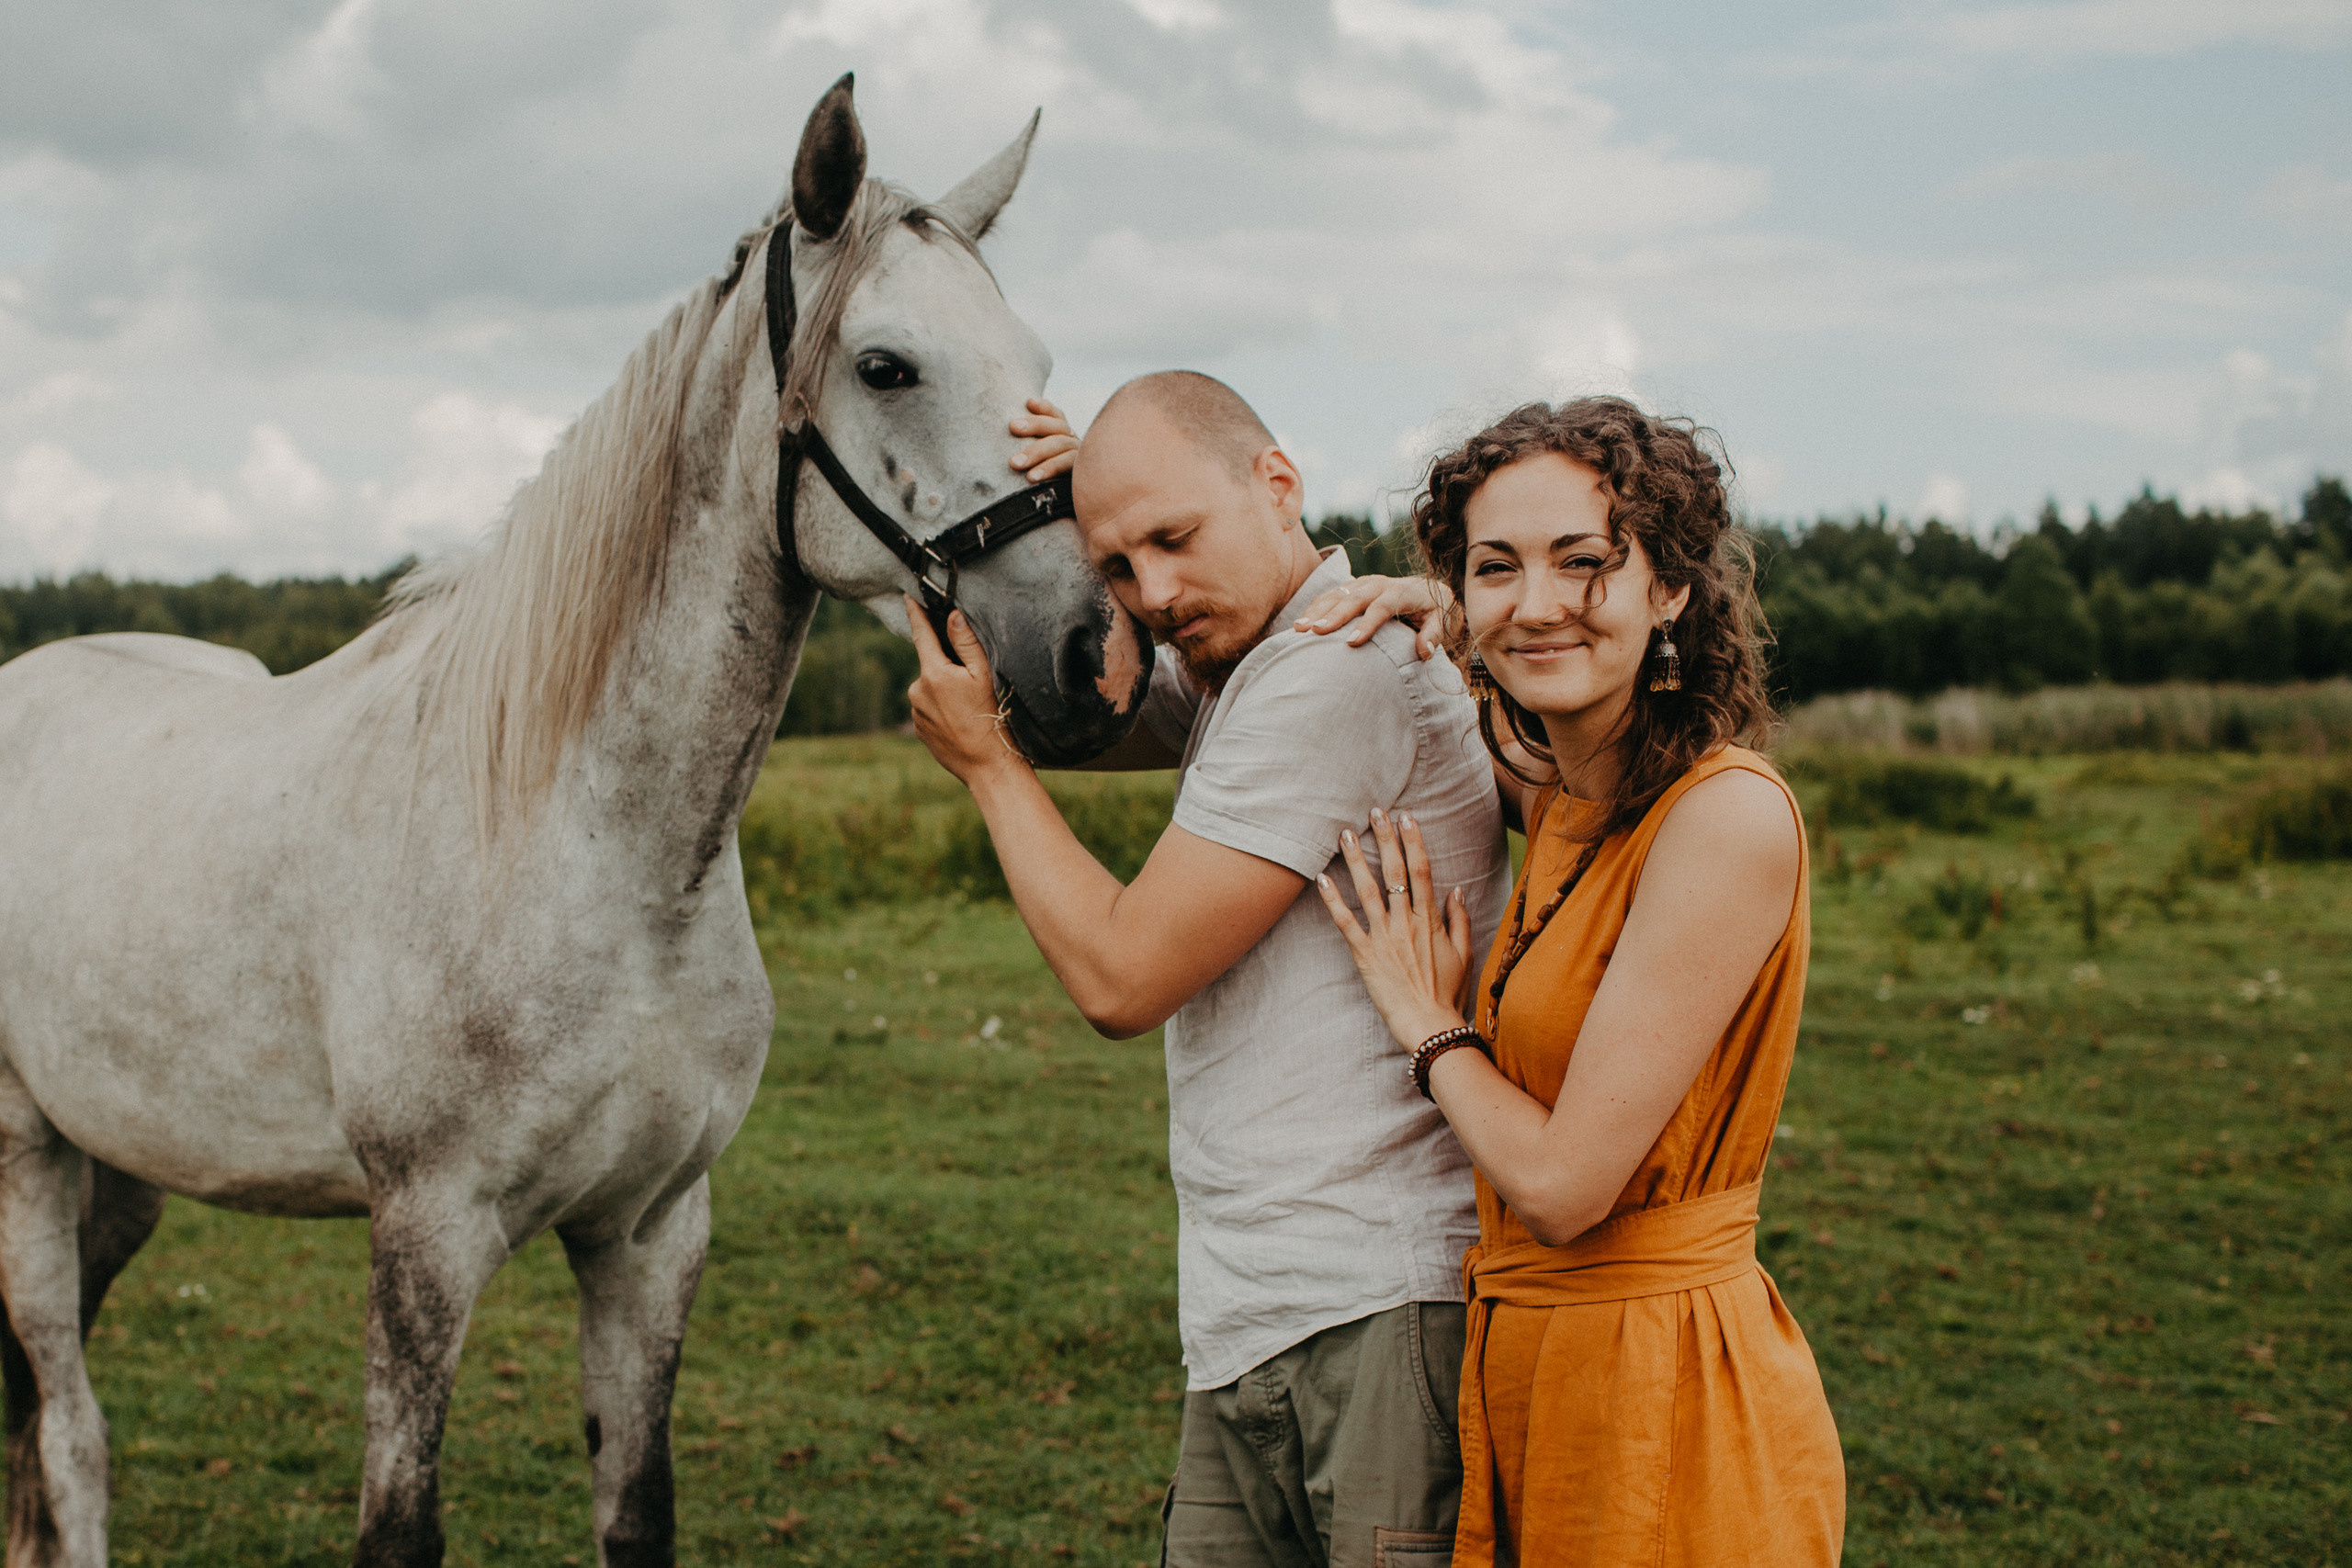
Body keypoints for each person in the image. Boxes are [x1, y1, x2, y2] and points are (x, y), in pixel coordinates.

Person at [909, 373, 1511, 1567]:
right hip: (1261, 1313)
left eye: (1175, 539)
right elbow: (1096, 702)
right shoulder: (1255, 660)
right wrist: (1069, 520)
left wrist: (985, 767)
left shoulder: (1330, 668)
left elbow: (1121, 977)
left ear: (1277, 483)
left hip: (1376, 1312)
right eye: (1125, 566)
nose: (1158, 593)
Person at [1303, 397, 1846, 1565]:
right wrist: (1451, 621)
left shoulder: (1723, 817)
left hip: (1664, 1389)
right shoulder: (1571, 797)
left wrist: (1424, 1020)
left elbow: (1561, 1185)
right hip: (1535, 1375)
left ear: (1672, 589)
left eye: (1583, 562)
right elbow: (1514, 706)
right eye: (1495, 566)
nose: (1536, 600)